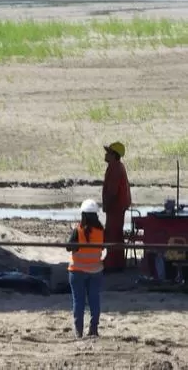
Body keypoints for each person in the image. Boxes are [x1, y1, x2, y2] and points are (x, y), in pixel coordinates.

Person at [66, 199, 105, 338]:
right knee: (94, 300)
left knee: (78, 301)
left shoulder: (78, 231)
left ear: (83, 215)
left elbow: (68, 247)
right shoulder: (101, 231)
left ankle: (78, 331)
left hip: (77, 271)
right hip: (95, 271)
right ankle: (93, 329)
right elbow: (102, 246)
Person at [102, 141, 132, 272]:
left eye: (108, 152)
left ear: (114, 155)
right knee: (116, 234)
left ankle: (113, 263)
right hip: (117, 206)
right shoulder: (116, 166)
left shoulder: (115, 168)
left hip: (115, 206)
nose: (106, 154)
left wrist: (107, 204)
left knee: (113, 234)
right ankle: (116, 261)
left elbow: (113, 191)